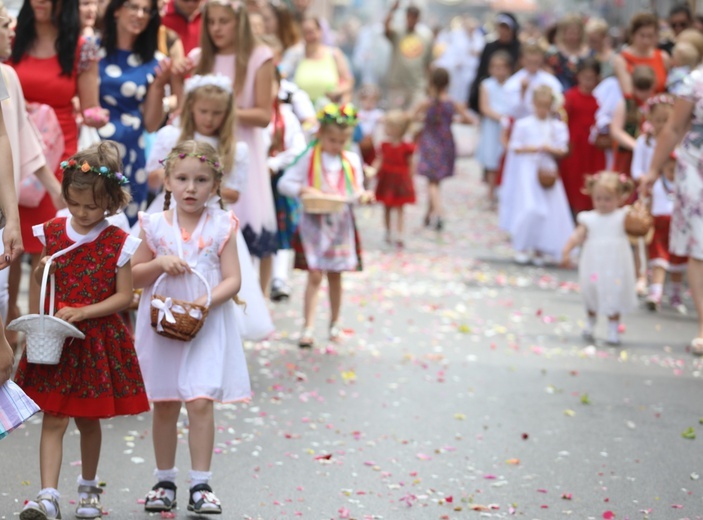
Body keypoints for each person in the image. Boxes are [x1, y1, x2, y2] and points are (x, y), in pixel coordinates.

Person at [14, 141, 149, 520]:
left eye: (93, 206)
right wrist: (44, 271)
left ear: (111, 202)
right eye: (75, 204)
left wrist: (86, 310)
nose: (83, 213)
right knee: (54, 417)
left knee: (88, 420)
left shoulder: (119, 243)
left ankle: (89, 489)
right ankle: (47, 495)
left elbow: (125, 297)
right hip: (56, 340)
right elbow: (41, 274)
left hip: (95, 342)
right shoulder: (53, 232)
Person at [132, 141, 248, 515]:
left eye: (201, 180)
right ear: (167, 181)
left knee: (200, 401)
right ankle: (164, 480)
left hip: (206, 324)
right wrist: (160, 263)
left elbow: (233, 279)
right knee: (165, 404)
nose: (191, 188)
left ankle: (201, 484)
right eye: (181, 179)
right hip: (163, 323)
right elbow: (132, 274)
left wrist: (206, 301)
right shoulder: (153, 226)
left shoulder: (221, 225)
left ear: (215, 185)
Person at [145, 73, 273, 340]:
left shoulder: (235, 148)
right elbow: (152, 176)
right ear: (190, 107)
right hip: (171, 210)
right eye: (203, 111)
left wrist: (205, 186)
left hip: (211, 218)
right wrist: (177, 177)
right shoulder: (171, 136)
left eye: (217, 113)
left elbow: (235, 192)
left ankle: (207, 322)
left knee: (213, 270)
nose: (209, 118)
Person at [9, 0, 106, 317]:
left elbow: (90, 106)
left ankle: (39, 325)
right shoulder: (11, 38)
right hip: (11, 149)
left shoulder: (82, 48)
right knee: (10, 239)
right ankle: (8, 319)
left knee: (45, 244)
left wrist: (98, 116)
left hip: (58, 157)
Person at [192, 0, 277, 295]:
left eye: (223, 21)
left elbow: (264, 115)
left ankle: (249, 302)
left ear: (238, 22)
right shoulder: (200, 57)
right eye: (211, 21)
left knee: (240, 229)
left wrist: (223, 111)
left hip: (239, 151)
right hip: (203, 151)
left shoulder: (258, 57)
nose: (216, 28)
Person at [278, 103, 372, 348]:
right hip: (314, 223)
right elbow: (285, 183)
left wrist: (362, 196)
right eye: (332, 140)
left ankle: (334, 324)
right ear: (320, 134)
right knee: (314, 274)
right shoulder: (310, 157)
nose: (337, 146)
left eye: (342, 141)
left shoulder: (350, 159)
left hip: (340, 224)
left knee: (336, 275)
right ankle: (307, 327)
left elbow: (355, 190)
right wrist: (303, 189)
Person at [641, 65, 703, 355]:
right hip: (697, 167)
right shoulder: (696, 80)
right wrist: (653, 169)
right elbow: (675, 127)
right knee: (700, 246)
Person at [98, 0, 169, 225]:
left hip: (132, 152)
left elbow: (151, 124)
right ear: (117, 9)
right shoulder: (92, 49)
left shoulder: (155, 61)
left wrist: (159, 86)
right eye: (133, 7)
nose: (140, 14)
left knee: (125, 226)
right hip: (95, 148)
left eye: (146, 10)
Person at [562, 172, 637, 346]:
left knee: (614, 293)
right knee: (591, 291)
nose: (602, 203)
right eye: (598, 198)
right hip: (594, 263)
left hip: (615, 263)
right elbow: (577, 236)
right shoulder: (589, 218)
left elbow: (638, 224)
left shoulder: (622, 216)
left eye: (607, 199)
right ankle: (591, 321)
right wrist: (566, 250)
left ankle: (613, 327)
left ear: (619, 198)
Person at [499, 85, 572, 266]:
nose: (542, 109)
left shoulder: (556, 126)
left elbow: (563, 149)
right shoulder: (524, 124)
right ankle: (522, 246)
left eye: (546, 106)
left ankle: (540, 247)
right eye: (539, 105)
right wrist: (534, 148)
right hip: (527, 170)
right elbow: (514, 146)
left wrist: (550, 148)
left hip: (547, 169)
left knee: (548, 210)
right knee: (530, 207)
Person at [414, 67, 477, 231]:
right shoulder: (452, 103)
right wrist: (452, 119)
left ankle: (439, 212)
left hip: (430, 143)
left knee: (432, 182)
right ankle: (428, 214)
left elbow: (411, 116)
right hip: (446, 143)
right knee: (436, 180)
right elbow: (469, 120)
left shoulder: (427, 103)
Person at [267, 68, 307, 302]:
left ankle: (279, 277)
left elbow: (297, 147)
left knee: (281, 228)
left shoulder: (285, 115)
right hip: (254, 180)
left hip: (278, 179)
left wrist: (274, 163)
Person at [561, 58, 605, 215]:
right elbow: (562, 121)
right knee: (573, 179)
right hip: (575, 146)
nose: (588, 81)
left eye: (592, 78)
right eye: (585, 77)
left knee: (592, 178)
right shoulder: (570, 97)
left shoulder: (599, 99)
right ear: (578, 76)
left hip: (592, 148)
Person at [645, 154, 688, 312]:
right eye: (671, 169)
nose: (674, 173)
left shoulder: (685, 184)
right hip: (660, 226)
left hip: (677, 226)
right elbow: (649, 201)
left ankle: (676, 293)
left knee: (678, 262)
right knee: (659, 260)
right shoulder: (656, 183)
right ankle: (655, 292)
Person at [287, 16, 354, 105]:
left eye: (312, 32)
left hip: (329, 113)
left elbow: (348, 81)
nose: (309, 36)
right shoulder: (295, 55)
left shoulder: (334, 54)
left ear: (320, 31)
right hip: (300, 112)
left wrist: (337, 91)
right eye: (305, 33)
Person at [372, 110, 415, 247]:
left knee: (400, 207)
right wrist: (372, 170)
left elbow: (411, 164)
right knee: (387, 207)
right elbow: (379, 160)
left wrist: (410, 179)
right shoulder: (384, 146)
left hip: (400, 181)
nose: (386, 130)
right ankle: (388, 231)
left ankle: (400, 232)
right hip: (387, 180)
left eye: (388, 127)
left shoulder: (406, 147)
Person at [476, 51, 512, 206]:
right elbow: (484, 107)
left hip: (507, 126)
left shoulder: (512, 85)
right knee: (491, 160)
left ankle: (503, 191)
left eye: (502, 67)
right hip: (492, 127)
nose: (499, 71)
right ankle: (491, 192)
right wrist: (500, 117)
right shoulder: (486, 85)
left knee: (504, 158)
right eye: (495, 67)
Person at [384, 1, 433, 110]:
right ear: (406, 17)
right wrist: (393, 9)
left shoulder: (426, 36)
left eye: (414, 17)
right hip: (398, 84)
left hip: (417, 85)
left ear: (418, 18)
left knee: (415, 118)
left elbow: (428, 63)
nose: (411, 19)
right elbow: (386, 28)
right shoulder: (397, 33)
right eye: (409, 16)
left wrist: (430, 86)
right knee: (395, 117)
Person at [468, 12, 521, 113]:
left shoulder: (519, 48)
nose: (503, 31)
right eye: (501, 27)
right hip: (490, 95)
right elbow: (481, 71)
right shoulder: (489, 47)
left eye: (506, 28)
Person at [610, 65, 656, 177]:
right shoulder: (626, 103)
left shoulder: (657, 103)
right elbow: (615, 130)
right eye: (640, 89)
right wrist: (637, 146)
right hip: (628, 154)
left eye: (647, 89)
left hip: (652, 153)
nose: (644, 94)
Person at [613, 12, 670, 97]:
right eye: (642, 35)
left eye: (650, 36)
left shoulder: (663, 57)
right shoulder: (622, 59)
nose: (646, 41)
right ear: (633, 34)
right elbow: (628, 91)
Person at [503, 42, 563, 121]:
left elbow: (558, 106)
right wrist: (523, 92)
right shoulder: (512, 82)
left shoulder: (551, 81)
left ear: (541, 59)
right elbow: (511, 112)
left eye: (536, 61)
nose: (533, 65)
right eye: (529, 61)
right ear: (522, 60)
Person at [545, 14, 592, 90]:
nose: (573, 37)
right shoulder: (553, 53)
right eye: (570, 33)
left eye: (576, 33)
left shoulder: (589, 53)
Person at [356, 84, 384, 167]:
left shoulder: (377, 113)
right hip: (360, 142)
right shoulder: (358, 113)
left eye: (372, 101)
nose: (369, 103)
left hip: (372, 142)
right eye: (366, 100)